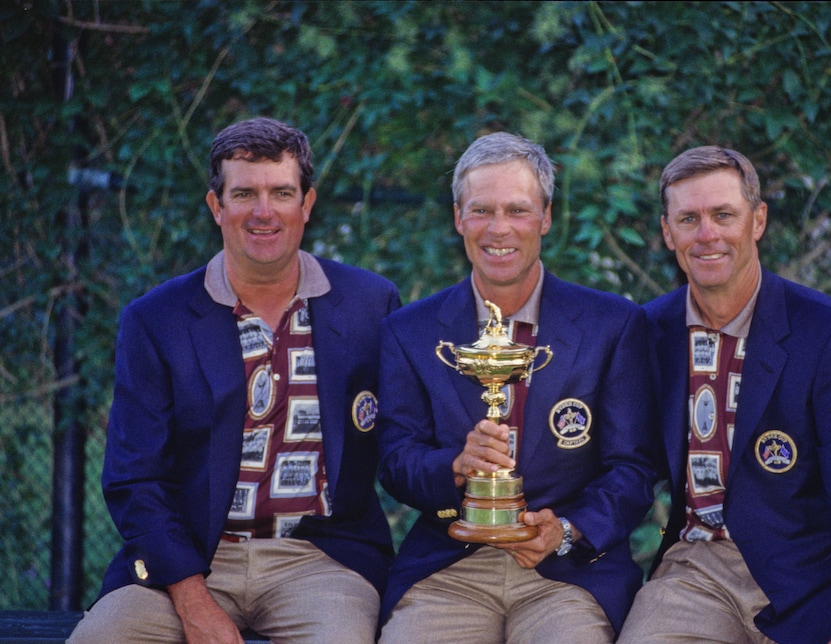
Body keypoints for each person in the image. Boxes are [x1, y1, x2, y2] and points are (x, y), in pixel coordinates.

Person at [69, 117, 399, 643]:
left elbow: (404, 440)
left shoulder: (369, 305)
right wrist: (192, 598)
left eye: (281, 193)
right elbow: (134, 479)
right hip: (189, 557)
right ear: (216, 206)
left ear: (307, 204)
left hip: (321, 560)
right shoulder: (158, 320)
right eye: (244, 192)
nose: (263, 211)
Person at [376, 132, 662, 643]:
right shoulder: (410, 330)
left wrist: (567, 531)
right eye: (481, 210)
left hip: (568, 574)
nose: (499, 228)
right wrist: (455, 467)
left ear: (546, 218)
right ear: (458, 217)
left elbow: (634, 468)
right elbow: (396, 461)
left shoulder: (612, 324)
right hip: (449, 568)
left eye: (518, 210)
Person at [618, 146, 831, 644]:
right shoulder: (650, 332)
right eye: (689, 218)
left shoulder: (830, 337)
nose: (707, 234)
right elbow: (626, 461)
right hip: (697, 568)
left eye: (724, 215)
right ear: (668, 233)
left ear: (758, 220)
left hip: (807, 576)